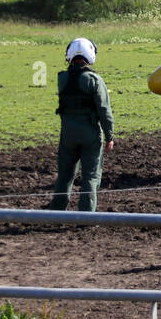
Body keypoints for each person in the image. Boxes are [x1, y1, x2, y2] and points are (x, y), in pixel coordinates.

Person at [50, 38, 114, 212]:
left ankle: (57, 211)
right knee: (91, 177)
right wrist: (110, 136)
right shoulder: (94, 80)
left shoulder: (62, 78)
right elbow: (104, 110)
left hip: (67, 134)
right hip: (90, 134)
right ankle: (86, 214)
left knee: (64, 175)